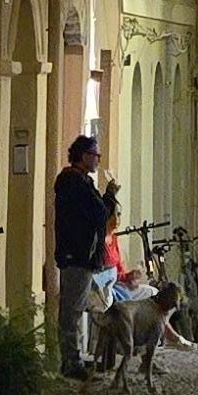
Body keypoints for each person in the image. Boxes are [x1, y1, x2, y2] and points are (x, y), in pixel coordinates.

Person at [52, 135, 112, 379]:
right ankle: (71, 362)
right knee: (72, 310)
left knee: (75, 308)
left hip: (80, 255)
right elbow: (99, 212)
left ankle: (73, 358)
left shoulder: (79, 182)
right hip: (77, 255)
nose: (98, 160)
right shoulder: (74, 183)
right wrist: (109, 195)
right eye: (95, 155)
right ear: (84, 156)